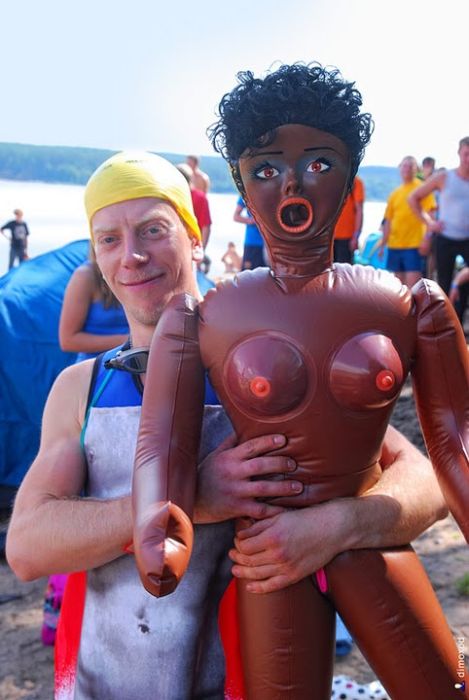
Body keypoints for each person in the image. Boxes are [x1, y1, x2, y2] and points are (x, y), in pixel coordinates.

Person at [5, 151, 455, 700]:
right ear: (97, 257)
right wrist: (185, 501)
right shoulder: (82, 387)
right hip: (101, 684)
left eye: (153, 230)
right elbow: (27, 546)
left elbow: (428, 483)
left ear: (195, 238)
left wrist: (338, 525)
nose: (133, 256)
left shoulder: (265, 364)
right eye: (109, 240)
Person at [134, 64, 469, 700]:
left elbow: (455, 431)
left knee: (446, 687)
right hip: (268, 554)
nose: (291, 183)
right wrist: (160, 520)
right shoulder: (202, 317)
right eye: (264, 169)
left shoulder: (406, 306)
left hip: (368, 541)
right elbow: (163, 444)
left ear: (350, 178)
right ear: (241, 186)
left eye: (318, 163)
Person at [408, 136, 469, 295]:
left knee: (463, 285)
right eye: (466, 154)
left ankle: (460, 308)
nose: (468, 159)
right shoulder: (444, 177)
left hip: (467, 238)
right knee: (443, 284)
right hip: (445, 237)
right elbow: (413, 198)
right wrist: (429, 223)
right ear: (459, 153)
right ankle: (443, 311)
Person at [59, 245, 129, 362]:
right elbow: (68, 341)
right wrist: (132, 340)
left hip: (138, 362)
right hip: (98, 366)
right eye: (109, 240)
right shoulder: (86, 275)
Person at [378, 155, 437, 286]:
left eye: (411, 166)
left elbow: (431, 216)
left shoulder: (422, 189)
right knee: (398, 289)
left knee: (414, 288)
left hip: (414, 246)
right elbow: (388, 221)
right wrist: (382, 245)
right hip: (394, 245)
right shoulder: (395, 194)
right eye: (404, 166)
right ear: (400, 168)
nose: (407, 169)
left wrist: (427, 239)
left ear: (416, 170)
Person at [177, 162, 212, 247]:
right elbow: (206, 226)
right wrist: (202, 248)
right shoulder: (200, 197)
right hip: (193, 245)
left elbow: (206, 226)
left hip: (183, 244)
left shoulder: (171, 197)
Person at [332, 175, 364, 263]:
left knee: (344, 270)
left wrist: (356, 237)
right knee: (327, 269)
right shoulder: (328, 179)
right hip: (327, 237)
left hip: (346, 238)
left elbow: (359, 210)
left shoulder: (355, 181)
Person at [233, 196, 265, 269]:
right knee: (248, 273)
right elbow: (236, 216)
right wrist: (252, 221)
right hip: (253, 242)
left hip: (271, 243)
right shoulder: (245, 193)